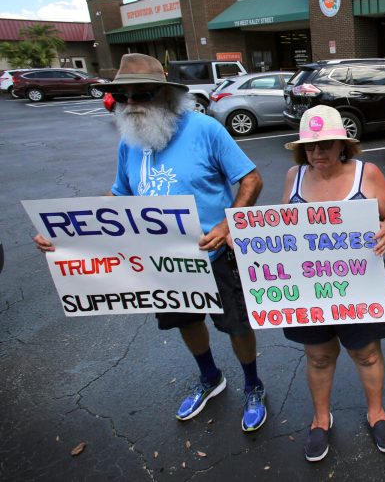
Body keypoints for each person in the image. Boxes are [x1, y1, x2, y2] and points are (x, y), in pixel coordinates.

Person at [33, 53, 268, 432]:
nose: (131, 104)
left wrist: (228, 226)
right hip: (164, 261)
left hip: (217, 254)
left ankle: (253, 384)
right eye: (123, 96)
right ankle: (210, 377)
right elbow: (119, 197)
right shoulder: (130, 141)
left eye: (141, 93)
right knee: (186, 321)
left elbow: (251, 179)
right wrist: (66, 231)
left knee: (237, 325)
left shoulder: (205, 129)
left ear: (166, 94)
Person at [281, 105, 385, 462]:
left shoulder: (368, 174)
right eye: (310, 146)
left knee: (366, 353)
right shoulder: (294, 177)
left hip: (361, 285)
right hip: (310, 288)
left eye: (326, 144)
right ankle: (321, 419)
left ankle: (376, 413)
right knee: (318, 356)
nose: (317, 152)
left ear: (342, 145)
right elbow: (280, 228)